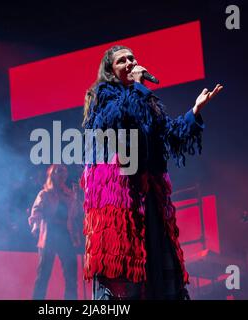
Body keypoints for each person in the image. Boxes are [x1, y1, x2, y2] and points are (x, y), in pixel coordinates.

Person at [80, 45, 222, 300]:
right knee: (128, 268)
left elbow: (170, 133)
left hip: (149, 193)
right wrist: (136, 87)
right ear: (111, 70)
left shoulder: (145, 99)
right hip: (121, 194)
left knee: (157, 260)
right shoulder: (103, 95)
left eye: (132, 58)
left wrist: (195, 112)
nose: (131, 62)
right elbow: (116, 121)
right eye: (122, 60)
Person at [28, 164, 82, 300]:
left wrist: (79, 198)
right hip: (50, 235)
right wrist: (35, 226)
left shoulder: (70, 195)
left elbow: (76, 214)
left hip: (65, 235)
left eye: (64, 172)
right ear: (53, 175)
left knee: (71, 276)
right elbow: (36, 212)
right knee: (43, 276)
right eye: (59, 172)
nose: (63, 175)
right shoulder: (45, 193)